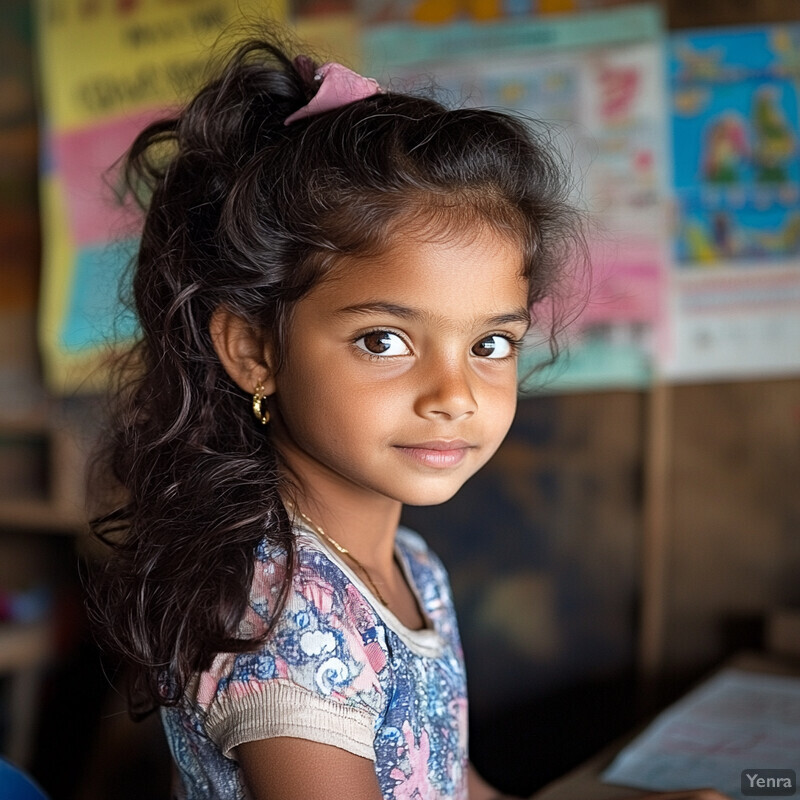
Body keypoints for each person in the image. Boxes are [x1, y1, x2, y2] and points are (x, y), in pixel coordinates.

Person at [88, 34, 730, 800]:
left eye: (491, 343)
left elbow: (454, 787)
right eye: (385, 340)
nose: (453, 394)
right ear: (255, 350)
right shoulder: (283, 625)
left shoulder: (408, 568)